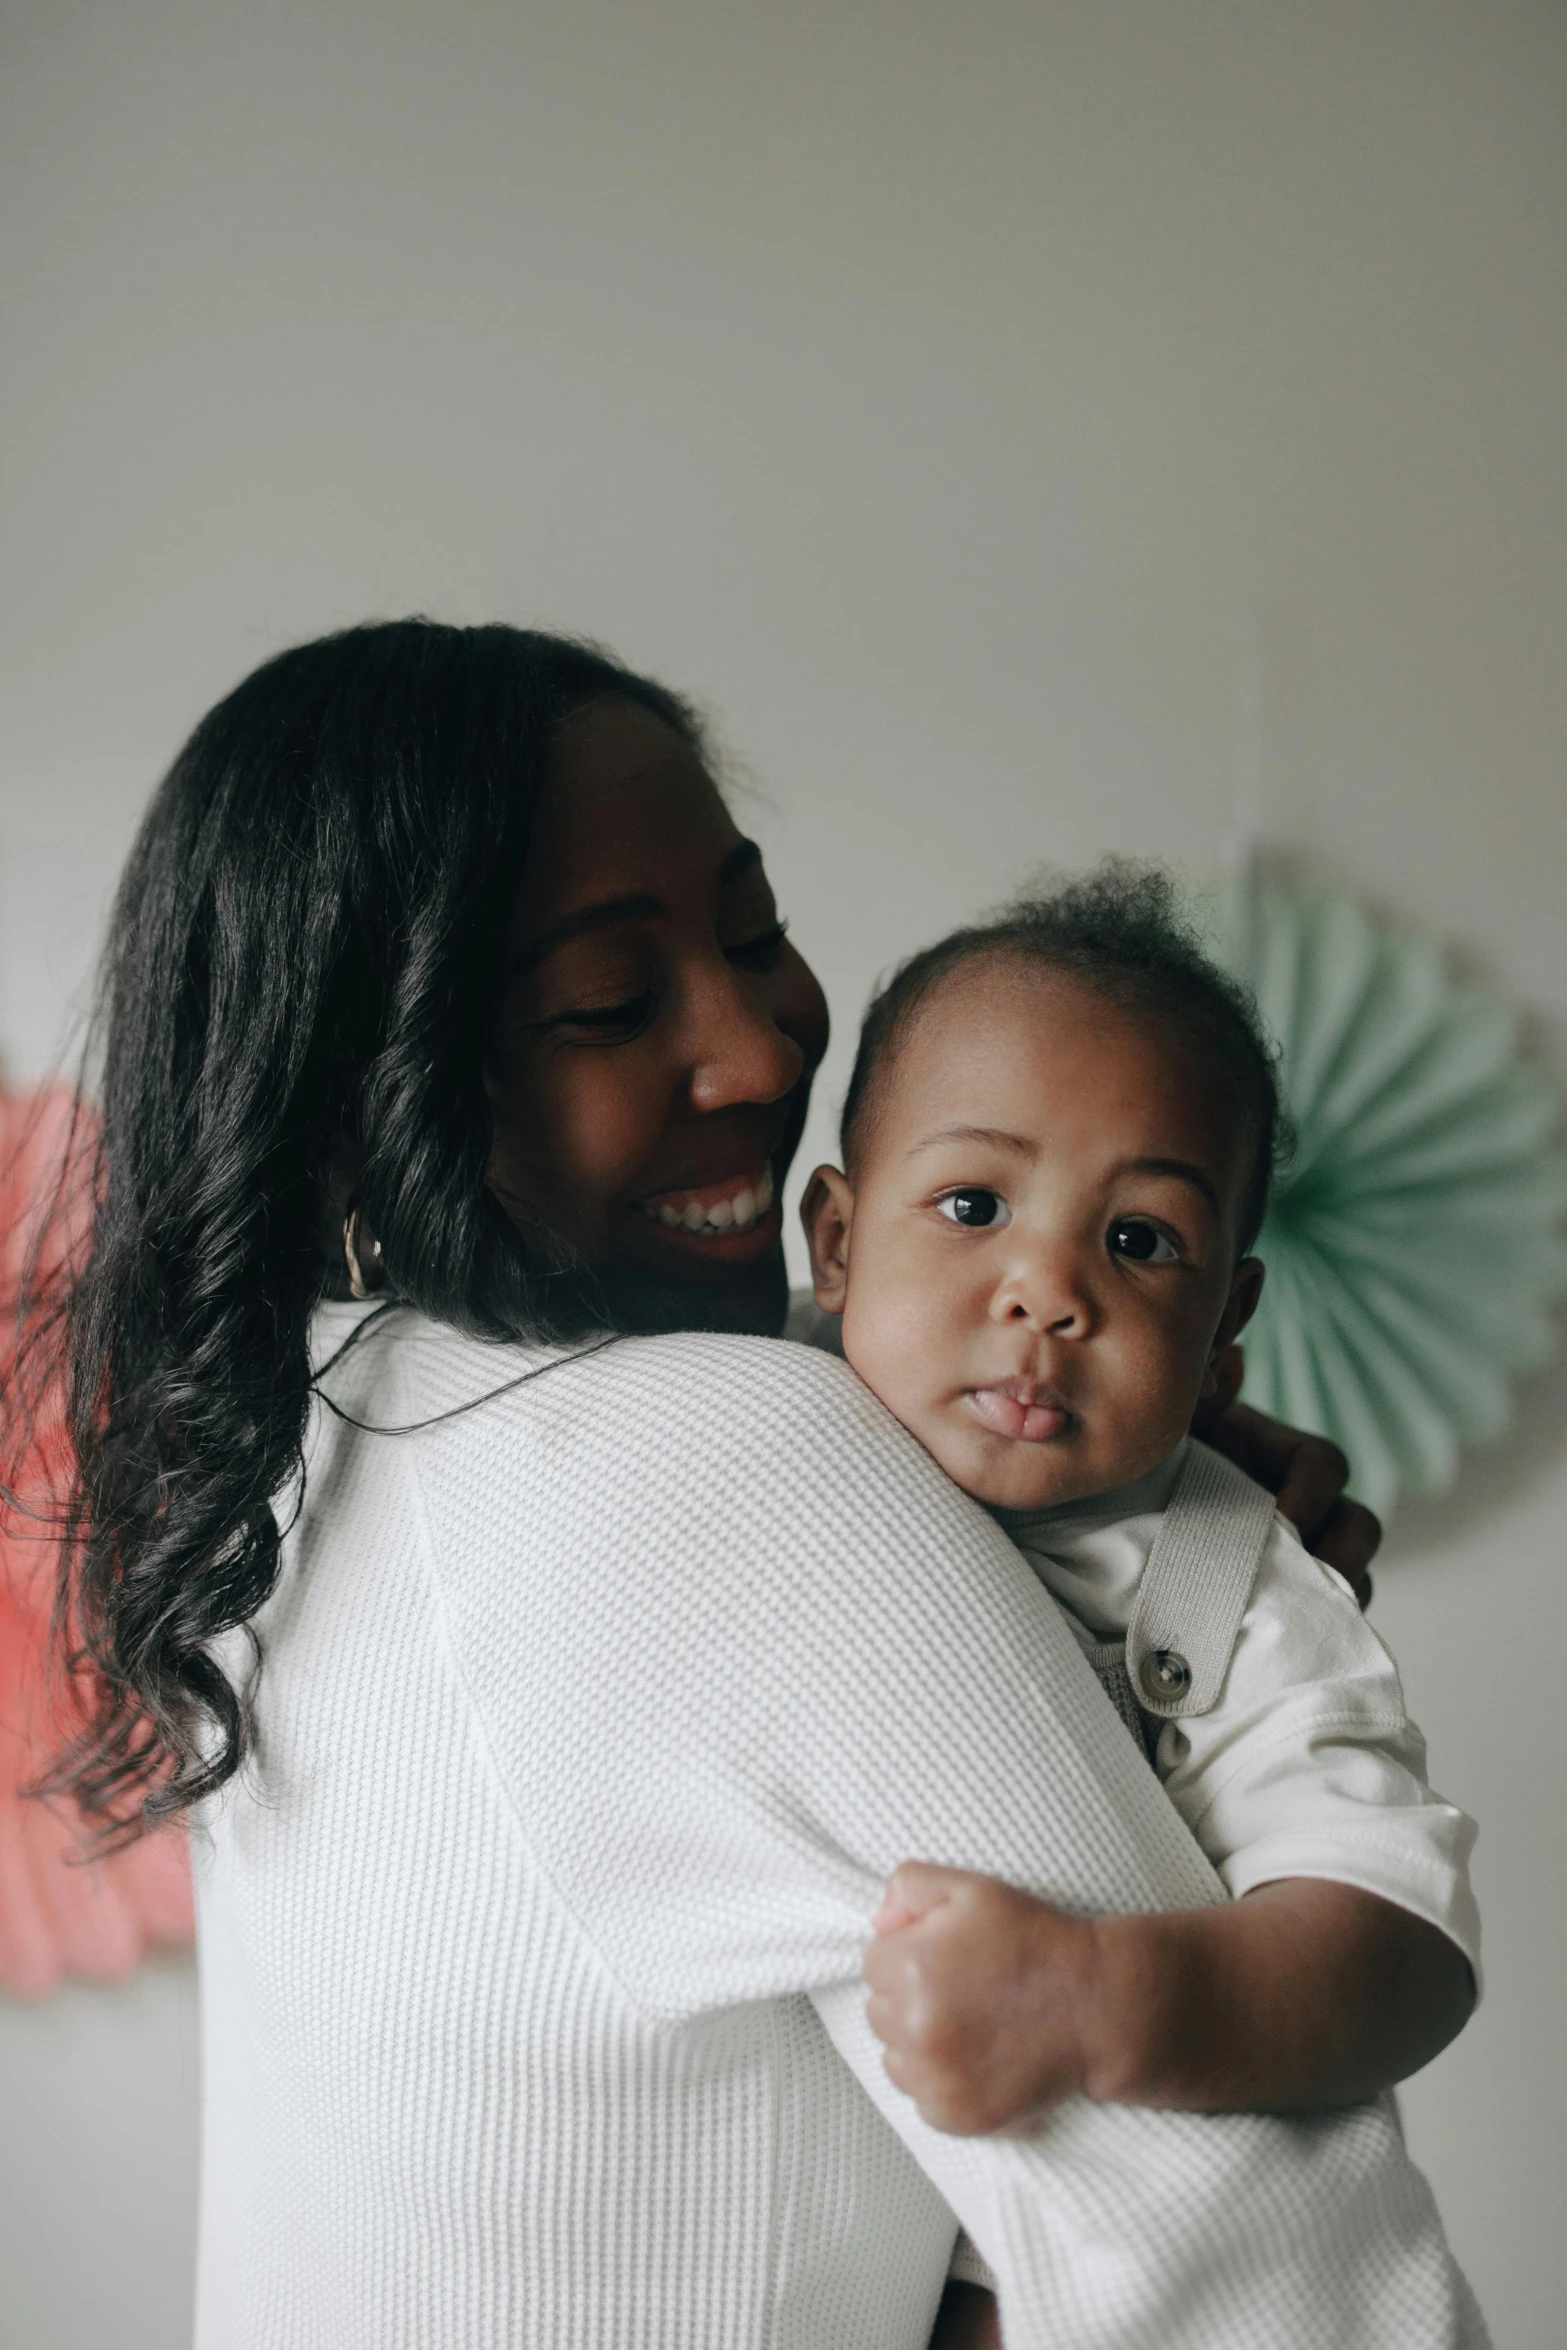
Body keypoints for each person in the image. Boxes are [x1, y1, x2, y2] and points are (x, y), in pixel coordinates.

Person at [18, 620, 1483, 2349]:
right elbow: (1285, 2287)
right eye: (609, 1003)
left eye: (751, 929)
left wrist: (1122, 1457)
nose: (766, 1050)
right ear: (360, 1106)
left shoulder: (274, 1444)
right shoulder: (742, 1457)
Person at [794, 872, 1479, 2335]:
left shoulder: (1238, 1592)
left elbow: (1401, 1948)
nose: (1046, 1287)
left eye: (1141, 1240)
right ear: (834, 1241)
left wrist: (1104, 1999)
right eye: (971, 1204)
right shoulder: (746, 1412)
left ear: (1224, 1327)